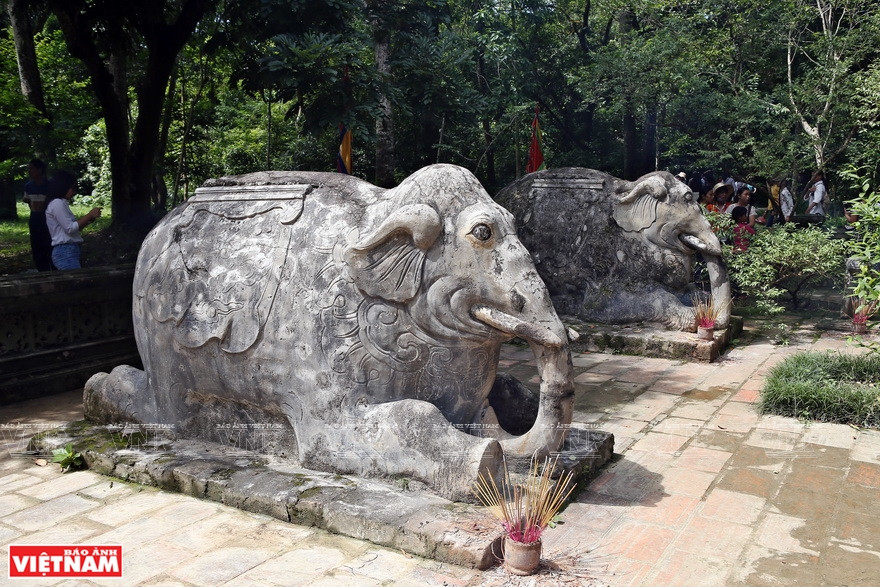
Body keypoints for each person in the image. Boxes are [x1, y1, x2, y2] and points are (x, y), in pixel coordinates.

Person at [44, 171, 101, 270]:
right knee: (75, 283)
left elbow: (72, 229)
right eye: (73, 188)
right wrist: (89, 215)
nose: (74, 192)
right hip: (65, 251)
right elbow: (69, 228)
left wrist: (87, 221)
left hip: (69, 249)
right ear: (63, 186)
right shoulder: (57, 203)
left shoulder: (61, 203)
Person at [22, 159, 53, 271]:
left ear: (39, 170)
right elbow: (28, 201)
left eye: (31, 168)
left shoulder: (49, 185)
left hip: (48, 219)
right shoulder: (28, 186)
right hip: (35, 218)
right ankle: (42, 269)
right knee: (37, 246)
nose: (29, 171)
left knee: (49, 244)